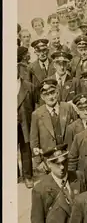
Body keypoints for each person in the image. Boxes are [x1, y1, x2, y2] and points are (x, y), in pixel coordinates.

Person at [30, 79, 77, 172]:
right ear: (42, 97)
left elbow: (77, 129)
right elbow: (34, 139)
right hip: (49, 159)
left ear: (57, 93)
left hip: (68, 155)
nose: (50, 97)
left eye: (52, 93)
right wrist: (38, 161)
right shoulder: (37, 114)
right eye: (46, 94)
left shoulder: (68, 108)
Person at [17, 48, 37, 188]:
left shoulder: (29, 86)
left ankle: (28, 176)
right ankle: (14, 174)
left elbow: (34, 105)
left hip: (25, 123)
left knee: (26, 148)